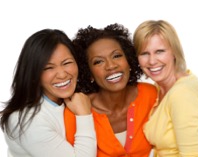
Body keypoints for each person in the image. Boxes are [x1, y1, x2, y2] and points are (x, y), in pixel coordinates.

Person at [0, 29, 96, 157]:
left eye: (67, 63)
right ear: (34, 72)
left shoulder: (73, 98)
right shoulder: (28, 120)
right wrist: (84, 115)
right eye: (48, 68)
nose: (62, 74)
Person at [64, 23, 158, 157]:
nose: (111, 66)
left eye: (116, 56)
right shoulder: (76, 111)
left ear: (128, 60)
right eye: (98, 62)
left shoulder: (151, 95)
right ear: (88, 72)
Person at [133, 20, 198, 156]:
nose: (152, 61)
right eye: (144, 53)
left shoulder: (183, 94)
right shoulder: (160, 89)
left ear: (174, 52)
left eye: (159, 51)